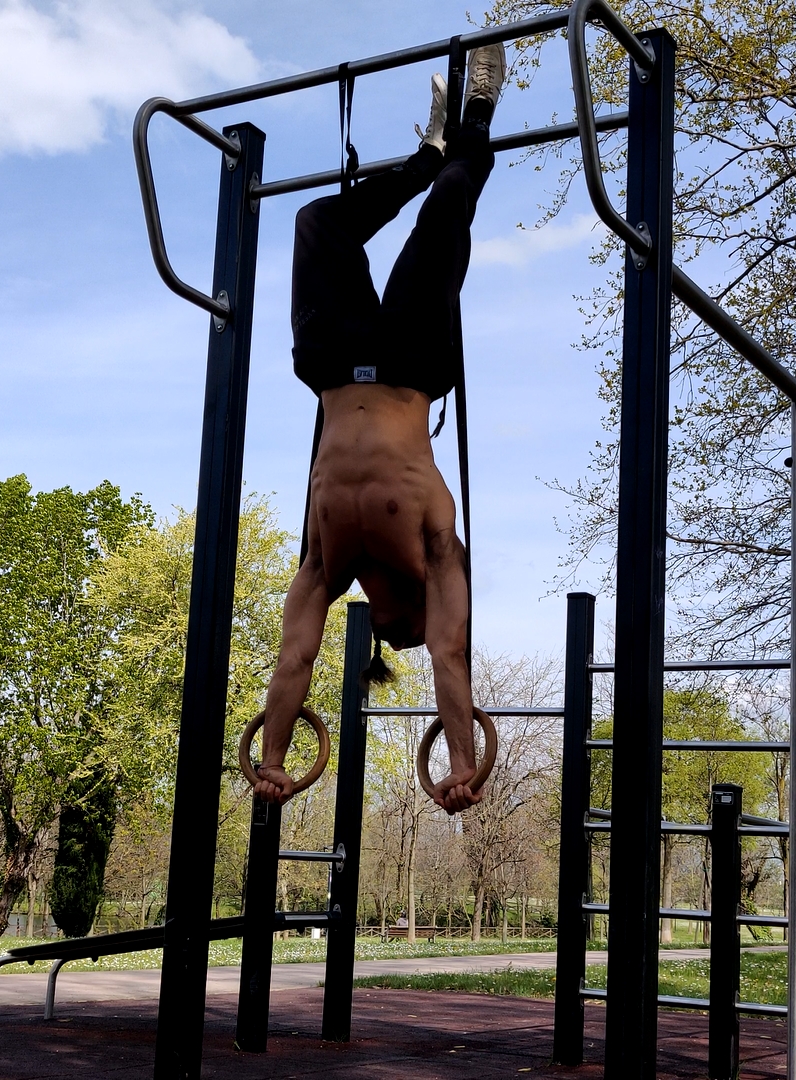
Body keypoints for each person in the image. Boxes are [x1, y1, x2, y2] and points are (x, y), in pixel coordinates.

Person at [246, 44, 507, 815]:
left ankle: (435, 149)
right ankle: (466, 127)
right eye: (400, 629)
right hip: (410, 362)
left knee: (316, 221)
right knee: (447, 208)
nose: (386, 625)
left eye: (388, 630)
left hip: (333, 363)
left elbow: (294, 659)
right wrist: (463, 762)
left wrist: (273, 759)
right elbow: (451, 657)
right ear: (416, 609)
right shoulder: (440, 553)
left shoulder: (326, 564)